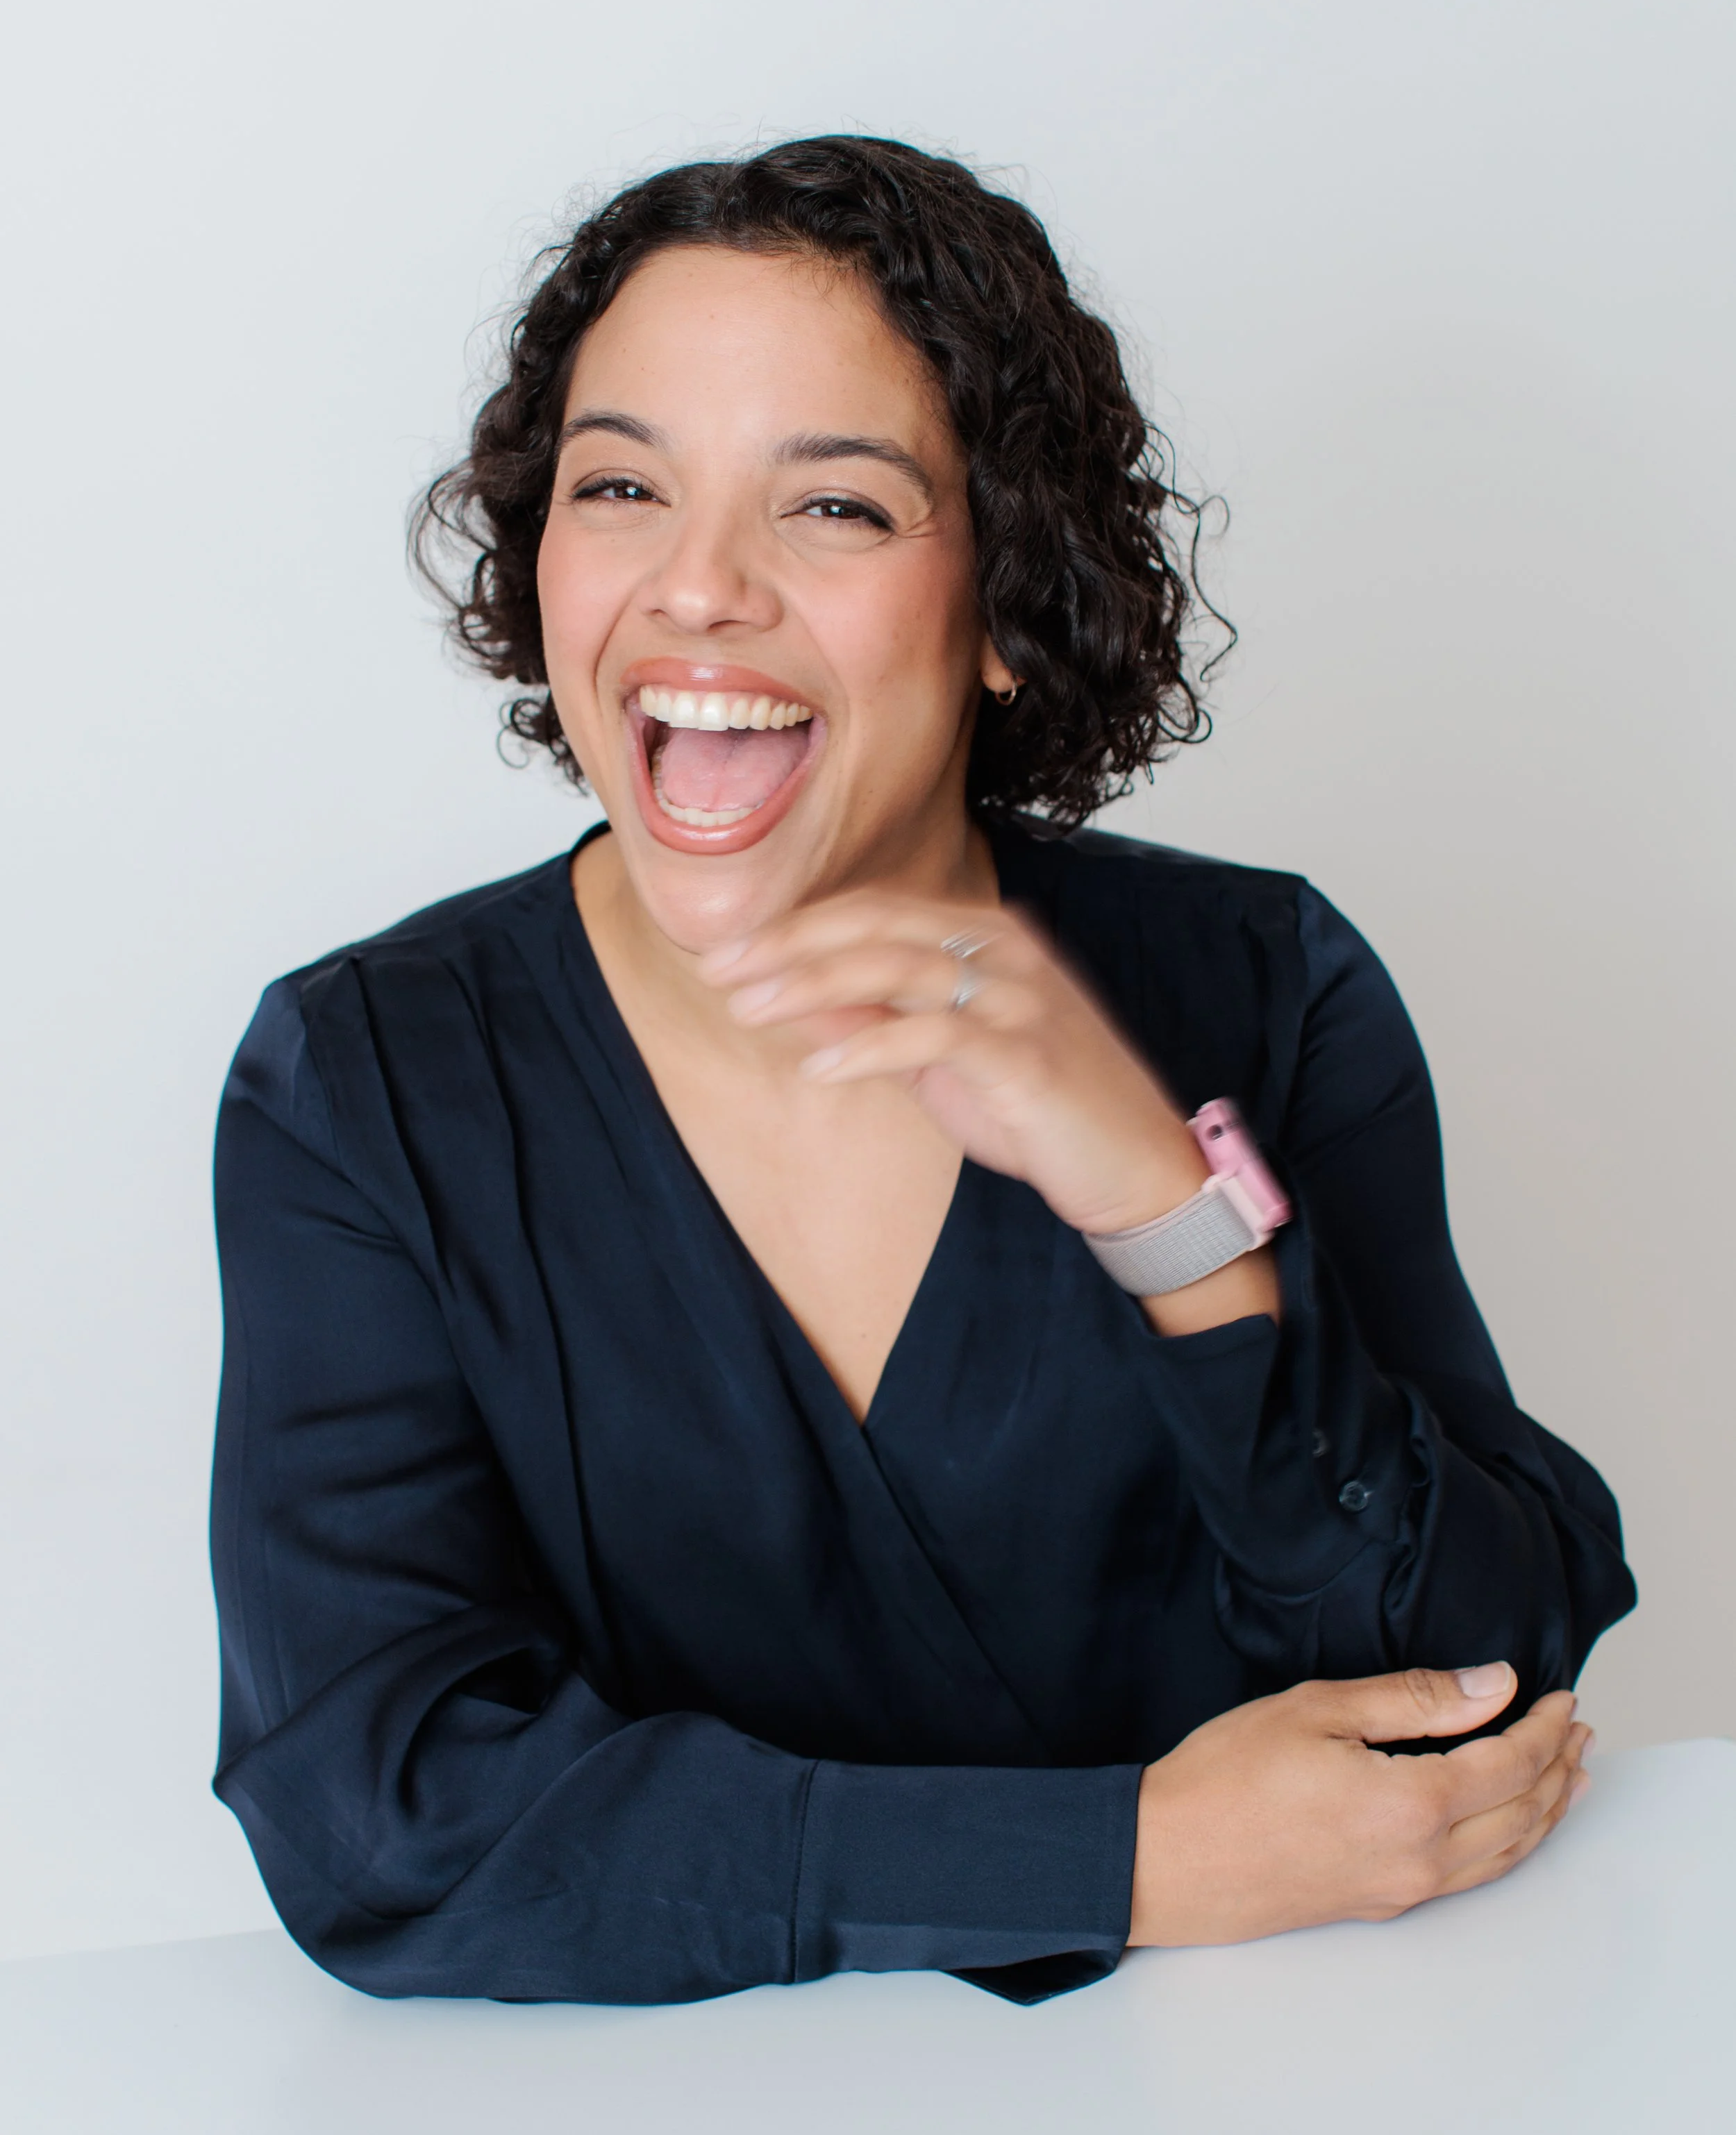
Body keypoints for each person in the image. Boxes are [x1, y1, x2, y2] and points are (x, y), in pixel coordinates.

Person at [210, 135, 1633, 2007]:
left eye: (835, 506)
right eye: (621, 484)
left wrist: (1172, 1217)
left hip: (1279, 2092)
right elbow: (382, 1813)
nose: (697, 587)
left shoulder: (1263, 985)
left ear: (1008, 607)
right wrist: (1134, 1860)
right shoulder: (361, 1084)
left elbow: (1480, 1674)